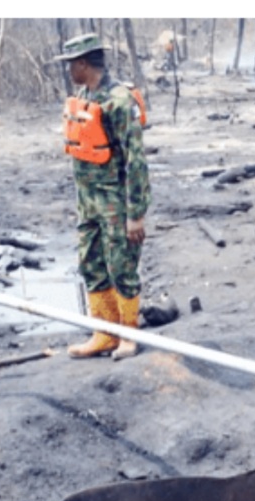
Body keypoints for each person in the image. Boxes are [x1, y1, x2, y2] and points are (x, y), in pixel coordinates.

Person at [55, 33, 152, 360]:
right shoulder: (84, 96)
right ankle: (105, 333)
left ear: (83, 63)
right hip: (89, 204)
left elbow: (136, 160)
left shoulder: (118, 100)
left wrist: (135, 214)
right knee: (91, 264)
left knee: (121, 267)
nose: (69, 71)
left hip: (115, 203)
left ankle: (128, 334)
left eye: (71, 64)